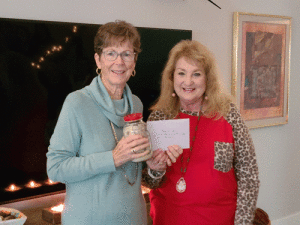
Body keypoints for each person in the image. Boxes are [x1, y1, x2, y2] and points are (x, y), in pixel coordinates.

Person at [46, 20, 181, 225]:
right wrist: (113, 158)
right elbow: (56, 168)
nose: (119, 62)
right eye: (111, 53)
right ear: (98, 60)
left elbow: (133, 171)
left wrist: (153, 165)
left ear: (134, 62)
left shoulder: (135, 103)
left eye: (127, 54)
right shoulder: (77, 103)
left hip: (133, 218)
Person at [142, 40, 260, 225]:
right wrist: (155, 170)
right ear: (172, 78)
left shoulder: (228, 114)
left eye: (196, 74)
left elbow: (248, 174)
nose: (188, 82)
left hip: (220, 219)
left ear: (207, 79)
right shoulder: (159, 117)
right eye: (181, 73)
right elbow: (150, 181)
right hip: (169, 218)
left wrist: (243, 222)